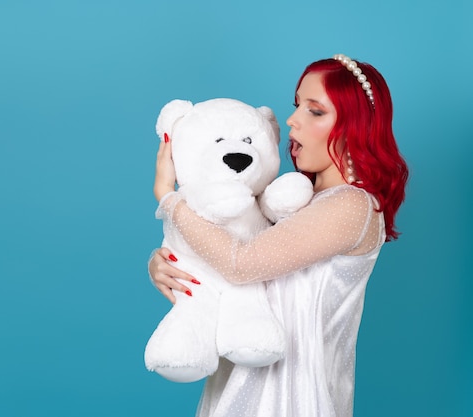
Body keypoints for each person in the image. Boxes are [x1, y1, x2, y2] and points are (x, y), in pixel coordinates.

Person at [148, 54, 409, 417]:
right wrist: (167, 262)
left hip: (292, 398)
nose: (292, 120)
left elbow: (242, 263)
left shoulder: (351, 205)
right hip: (240, 385)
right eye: (297, 105)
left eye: (315, 111)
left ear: (354, 126)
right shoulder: (291, 201)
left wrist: (170, 199)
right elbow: (231, 272)